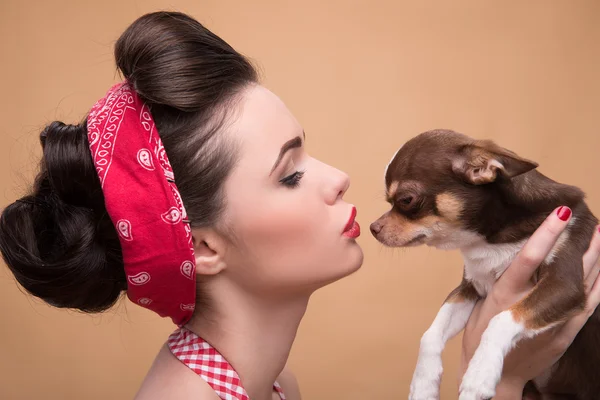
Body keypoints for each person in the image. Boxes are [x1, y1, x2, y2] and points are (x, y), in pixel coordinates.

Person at [0, 11, 598, 400]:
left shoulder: (269, 383)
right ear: (204, 246)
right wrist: (505, 380)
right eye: (289, 175)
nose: (338, 179)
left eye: (308, 154)